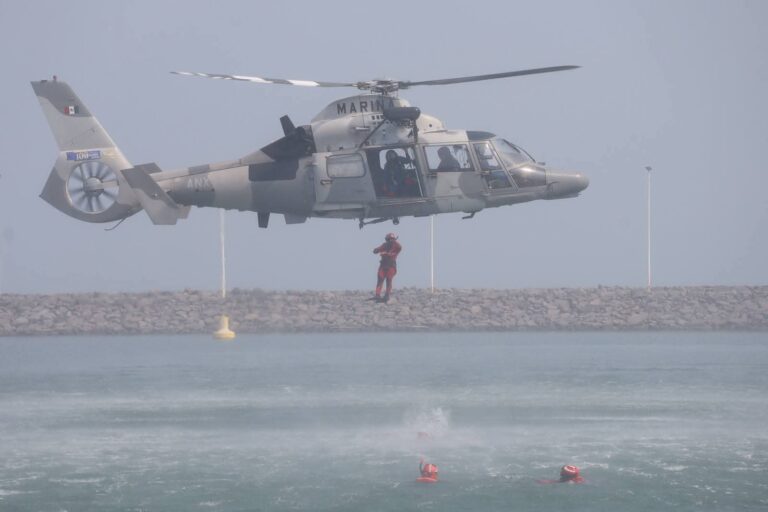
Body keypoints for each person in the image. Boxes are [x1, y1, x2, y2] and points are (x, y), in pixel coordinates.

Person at [372, 233, 402, 302]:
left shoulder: (396, 247)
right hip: (383, 265)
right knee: (380, 279)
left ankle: (387, 295)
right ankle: (377, 295)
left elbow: (400, 247)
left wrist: (394, 242)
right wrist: (376, 250)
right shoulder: (384, 245)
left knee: (389, 280)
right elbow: (377, 250)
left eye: (392, 240)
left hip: (391, 266)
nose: (390, 241)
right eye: (389, 239)